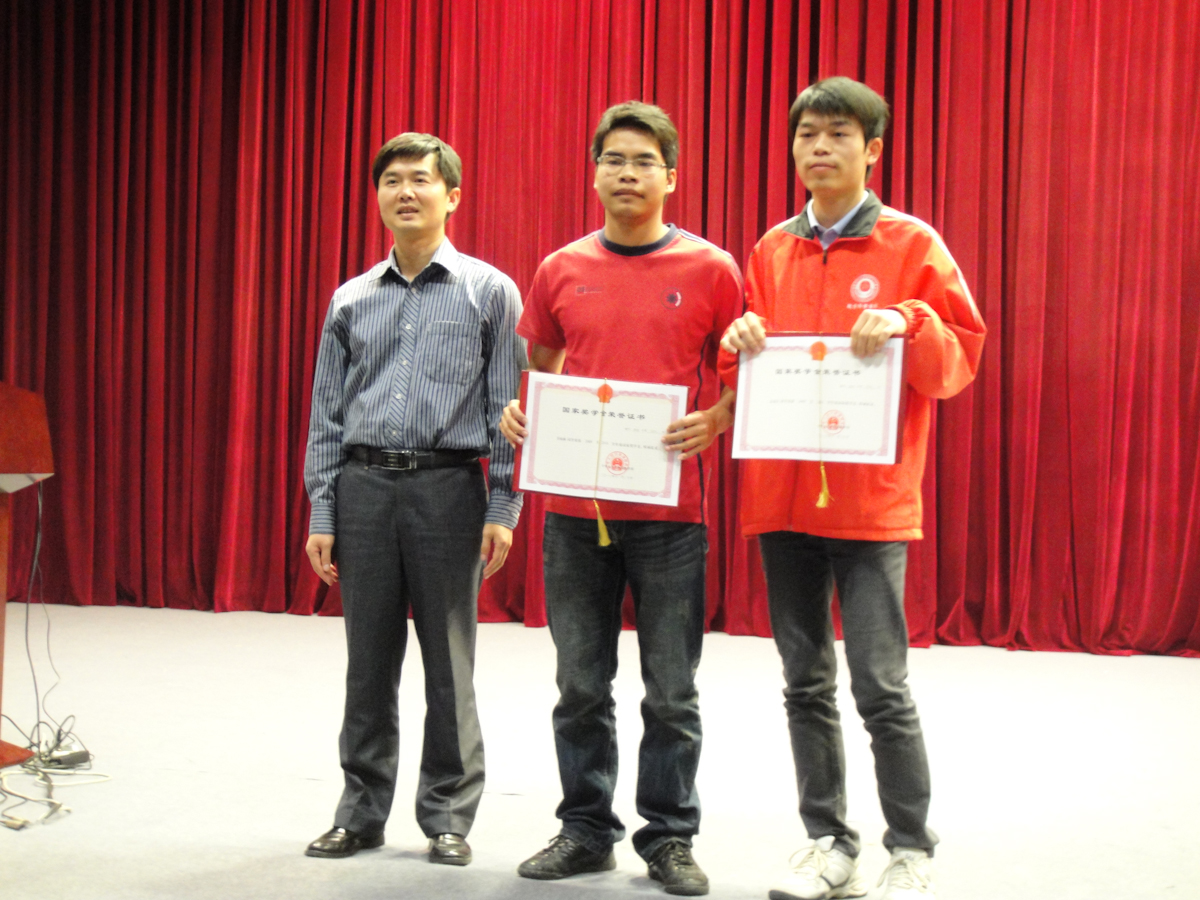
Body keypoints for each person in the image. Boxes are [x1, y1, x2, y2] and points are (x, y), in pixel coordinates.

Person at [719, 77, 986, 900]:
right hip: (783, 499)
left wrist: (910, 320)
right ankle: (828, 843)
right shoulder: (771, 248)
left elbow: (957, 364)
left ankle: (911, 848)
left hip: (871, 503)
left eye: (837, 134)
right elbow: (742, 374)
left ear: (872, 151)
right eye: (807, 134)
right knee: (804, 684)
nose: (819, 148)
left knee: (880, 685)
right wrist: (737, 339)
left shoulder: (912, 244)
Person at [499, 102, 743, 897]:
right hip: (575, 517)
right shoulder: (560, 268)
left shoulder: (713, 269)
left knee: (671, 690)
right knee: (580, 685)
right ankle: (585, 830)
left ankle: (669, 836)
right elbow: (541, 367)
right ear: (594, 172)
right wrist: (521, 413)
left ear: (671, 177)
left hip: (672, 520)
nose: (627, 174)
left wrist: (717, 418)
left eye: (643, 161)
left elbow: (743, 377)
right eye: (614, 160)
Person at [302, 132, 524, 867]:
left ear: (451, 195)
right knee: (367, 663)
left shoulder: (490, 292)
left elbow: (506, 410)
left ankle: (448, 815)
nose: (405, 191)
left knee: (448, 664)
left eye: (421, 179)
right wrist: (323, 510)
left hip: (447, 488)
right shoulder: (349, 298)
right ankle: (360, 812)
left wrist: (502, 506)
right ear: (377, 196)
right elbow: (326, 413)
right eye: (392, 179)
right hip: (363, 487)